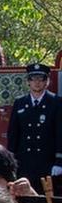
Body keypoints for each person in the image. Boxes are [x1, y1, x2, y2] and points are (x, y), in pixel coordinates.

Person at [6, 62, 62, 193]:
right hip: (25, 164)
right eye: (33, 78)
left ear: (47, 81)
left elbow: (60, 133)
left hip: (47, 164)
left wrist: (59, 161)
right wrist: (10, 162)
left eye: (41, 79)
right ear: (28, 82)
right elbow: (13, 135)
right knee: (25, 202)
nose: (37, 82)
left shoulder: (56, 102)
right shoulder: (20, 103)